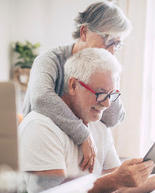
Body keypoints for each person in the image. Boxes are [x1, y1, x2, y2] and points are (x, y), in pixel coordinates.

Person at [19, 48, 155, 193]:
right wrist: (114, 180)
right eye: (100, 94)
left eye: (111, 95)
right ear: (73, 85)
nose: (106, 104)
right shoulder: (42, 127)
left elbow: (117, 190)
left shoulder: (98, 125)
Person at [22, 1, 132, 173]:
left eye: (117, 44)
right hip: (42, 152)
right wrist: (83, 135)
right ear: (84, 32)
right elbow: (41, 98)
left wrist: (107, 81)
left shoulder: (106, 66)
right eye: (107, 40)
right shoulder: (50, 60)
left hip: (76, 161)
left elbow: (113, 118)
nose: (112, 50)